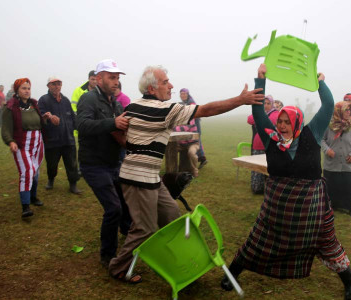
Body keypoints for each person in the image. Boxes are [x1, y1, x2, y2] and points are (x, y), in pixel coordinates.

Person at [108, 65, 264, 283]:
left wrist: (131, 146)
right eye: (165, 82)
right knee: (144, 228)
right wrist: (240, 100)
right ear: (152, 88)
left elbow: (117, 129)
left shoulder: (133, 106)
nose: (171, 85)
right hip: (138, 179)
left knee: (171, 215)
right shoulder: (165, 109)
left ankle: (178, 260)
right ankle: (117, 268)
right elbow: (206, 110)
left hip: (150, 176)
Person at [221, 64, 351, 300]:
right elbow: (259, 114)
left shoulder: (312, 133)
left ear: (296, 122)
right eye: (280, 121)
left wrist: (320, 83)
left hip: (312, 210)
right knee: (258, 241)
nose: (282, 126)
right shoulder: (271, 138)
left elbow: (328, 106)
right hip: (277, 211)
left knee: (327, 243)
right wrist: (260, 81)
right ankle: (232, 273)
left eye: (287, 122)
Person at [76, 59, 131, 268]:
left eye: (117, 78)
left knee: (125, 203)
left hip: (114, 162)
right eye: (111, 77)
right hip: (94, 164)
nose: (116, 82)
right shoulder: (88, 99)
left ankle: (130, 237)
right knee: (114, 208)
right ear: (99, 79)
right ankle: (108, 256)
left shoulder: (115, 103)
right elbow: (81, 124)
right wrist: (113, 122)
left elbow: (117, 131)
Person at [1, 78, 51, 218]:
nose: (27, 91)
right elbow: (5, 129)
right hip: (22, 144)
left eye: (28, 88)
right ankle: (25, 206)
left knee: (35, 172)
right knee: (27, 171)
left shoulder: (33, 105)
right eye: (23, 88)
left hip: (37, 144)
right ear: (17, 90)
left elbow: (38, 122)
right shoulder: (10, 107)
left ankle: (33, 197)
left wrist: (45, 118)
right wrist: (10, 141)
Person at [38, 77, 81, 194]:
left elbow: (72, 117)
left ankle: (73, 185)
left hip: (68, 139)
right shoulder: (43, 100)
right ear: (48, 86)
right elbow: (39, 118)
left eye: (59, 84)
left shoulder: (66, 100)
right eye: (54, 84)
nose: (57, 86)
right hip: (52, 140)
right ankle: (50, 179)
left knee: (72, 164)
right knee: (52, 164)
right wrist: (48, 117)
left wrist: (81, 128)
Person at [321, 101, 351, 217]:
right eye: (346, 110)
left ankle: (350, 208)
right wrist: (326, 150)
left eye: (350, 110)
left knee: (349, 186)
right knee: (332, 186)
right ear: (339, 111)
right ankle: (331, 206)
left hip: (348, 163)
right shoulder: (329, 124)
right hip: (331, 163)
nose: (349, 112)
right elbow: (321, 139)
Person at [247, 94, 279, 193]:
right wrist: (260, 115)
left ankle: (271, 189)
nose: (266, 105)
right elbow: (249, 119)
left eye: (268, 103)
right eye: (264, 103)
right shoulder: (260, 113)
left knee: (270, 167)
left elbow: (272, 121)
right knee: (257, 167)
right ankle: (257, 188)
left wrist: (261, 116)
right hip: (257, 144)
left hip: (270, 145)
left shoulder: (276, 113)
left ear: (272, 104)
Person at [179, 88, 207, 168]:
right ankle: (201, 158)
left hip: (195, 123)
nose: (183, 95)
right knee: (196, 139)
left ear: (187, 94)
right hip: (191, 123)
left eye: (184, 94)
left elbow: (193, 113)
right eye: (181, 94)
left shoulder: (191, 102)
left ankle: (202, 158)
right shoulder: (186, 102)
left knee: (196, 139)